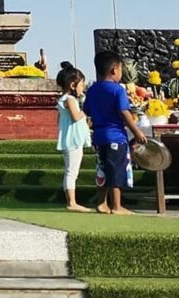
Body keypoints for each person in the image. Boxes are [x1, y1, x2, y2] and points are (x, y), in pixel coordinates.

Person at [83, 51, 146, 215]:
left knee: (102, 169)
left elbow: (87, 110)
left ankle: (101, 203)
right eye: (120, 70)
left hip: (99, 136)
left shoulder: (92, 89)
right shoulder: (118, 90)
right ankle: (117, 206)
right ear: (114, 70)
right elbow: (124, 112)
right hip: (116, 136)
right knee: (116, 170)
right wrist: (137, 132)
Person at [56, 65, 91, 212]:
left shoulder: (64, 99)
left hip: (70, 137)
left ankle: (72, 201)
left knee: (70, 170)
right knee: (72, 171)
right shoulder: (70, 99)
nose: (83, 88)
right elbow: (76, 117)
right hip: (73, 139)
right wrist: (87, 109)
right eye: (81, 84)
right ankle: (72, 202)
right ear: (72, 85)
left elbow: (60, 120)